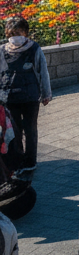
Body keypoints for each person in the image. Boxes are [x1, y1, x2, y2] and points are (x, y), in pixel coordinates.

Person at [0, 18, 51, 179]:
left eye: (18, 32)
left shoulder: (34, 48)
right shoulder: (2, 50)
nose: (15, 36)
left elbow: (43, 71)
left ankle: (30, 161)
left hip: (30, 97)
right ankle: (18, 160)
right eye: (12, 33)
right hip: (9, 97)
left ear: (25, 32)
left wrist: (46, 93)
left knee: (30, 130)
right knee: (14, 131)